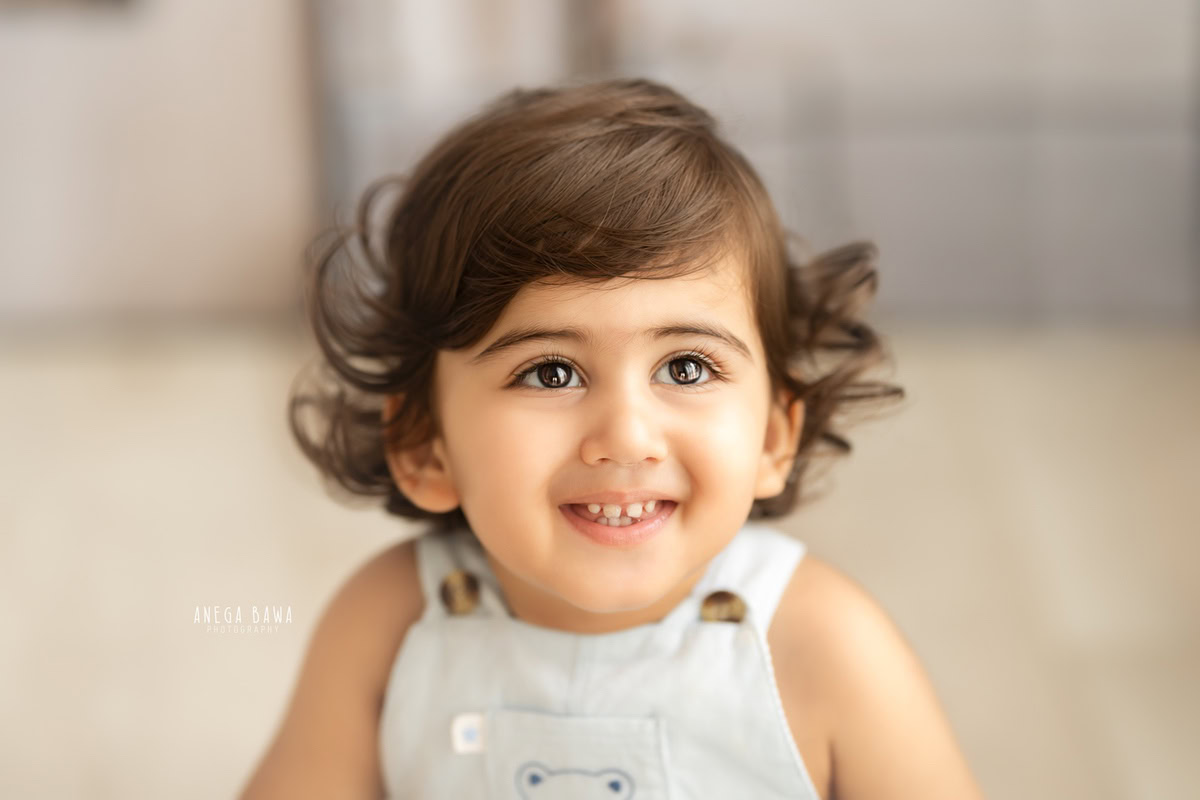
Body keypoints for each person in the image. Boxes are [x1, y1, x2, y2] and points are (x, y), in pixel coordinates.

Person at [240, 77, 986, 799]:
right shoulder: (391, 624)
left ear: (772, 437)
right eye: (551, 374)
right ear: (425, 446)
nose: (626, 438)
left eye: (687, 367)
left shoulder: (823, 646)